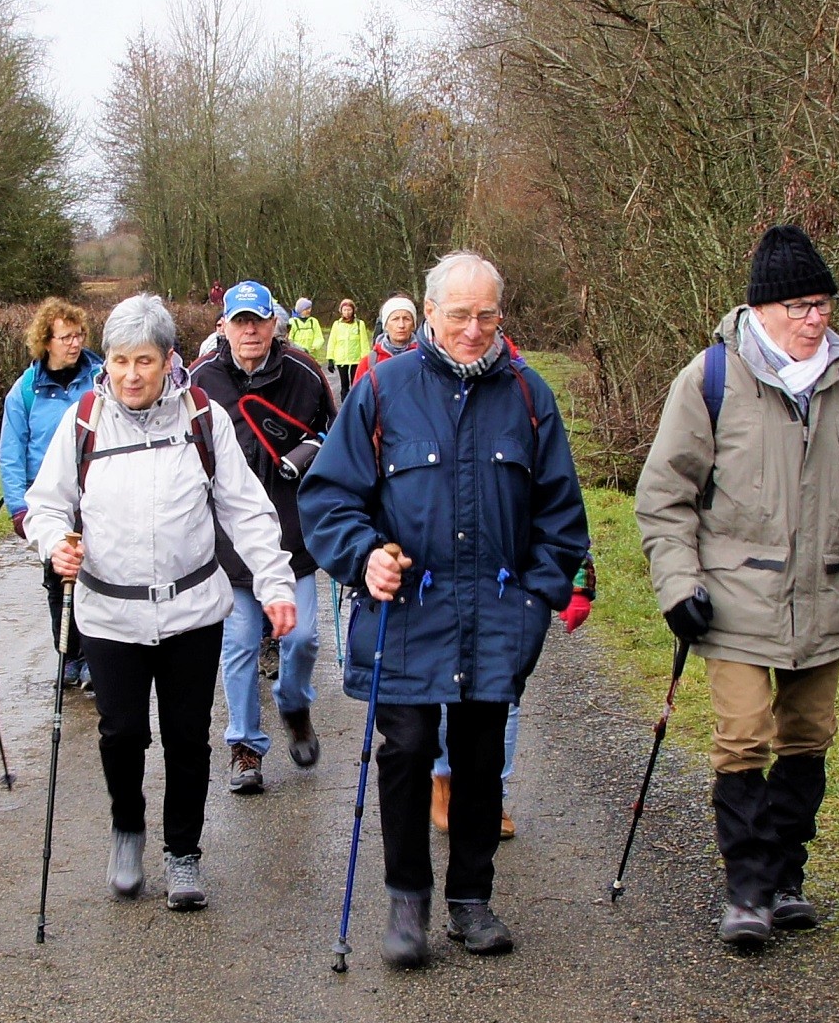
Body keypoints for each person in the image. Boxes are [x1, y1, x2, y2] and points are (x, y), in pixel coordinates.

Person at [300, 251, 589, 968]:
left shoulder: (529, 396)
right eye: (458, 314)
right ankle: (407, 900)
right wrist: (363, 555)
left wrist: (533, 599)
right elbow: (330, 498)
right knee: (402, 754)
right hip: (405, 612)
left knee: (482, 758)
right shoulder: (383, 389)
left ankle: (471, 898)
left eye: (487, 315)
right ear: (428, 314)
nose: (473, 329)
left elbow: (562, 516)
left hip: (496, 614)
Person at [634, 224, 839, 948]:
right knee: (744, 738)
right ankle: (747, 889)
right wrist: (677, 586)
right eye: (802, 306)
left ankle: (788, 878)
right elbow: (665, 495)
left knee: (809, 738)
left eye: (824, 304)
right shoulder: (712, 378)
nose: (817, 319)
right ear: (764, 310)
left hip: (824, 593)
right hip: (734, 599)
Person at [24, 294, 297, 913]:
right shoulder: (85, 420)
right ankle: (127, 830)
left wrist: (276, 583)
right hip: (109, 613)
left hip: (192, 612)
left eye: (143, 361)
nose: (130, 375)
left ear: (169, 360)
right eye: (119, 361)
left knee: (185, 736)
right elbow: (46, 505)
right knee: (121, 734)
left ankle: (183, 852)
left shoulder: (202, 417)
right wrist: (52, 543)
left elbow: (246, 508)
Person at [189, 279, 339, 793]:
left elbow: (337, 440)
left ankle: (294, 705)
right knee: (239, 643)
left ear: (275, 324)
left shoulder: (304, 375)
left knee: (301, 638)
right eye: (239, 321)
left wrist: (313, 452)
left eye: (258, 320)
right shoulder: (200, 382)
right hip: (229, 545)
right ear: (224, 327)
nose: (249, 330)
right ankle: (245, 746)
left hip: (291, 537)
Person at [431, 552, 595, 839]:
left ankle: (490, 795)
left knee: (502, 689)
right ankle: (443, 778)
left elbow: (561, 514)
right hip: (440, 578)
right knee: (447, 681)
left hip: (507, 580)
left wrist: (577, 583)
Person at [0, 299, 105, 688]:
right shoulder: (25, 391)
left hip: (94, 491)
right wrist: (19, 508)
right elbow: (11, 452)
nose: (74, 343)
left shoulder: (99, 377)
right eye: (65, 337)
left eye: (78, 335)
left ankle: (95, 656)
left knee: (95, 574)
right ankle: (68, 655)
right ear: (46, 341)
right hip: (48, 498)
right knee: (56, 576)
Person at [355, 294, 418, 378]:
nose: (401, 325)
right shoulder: (368, 362)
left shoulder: (427, 359)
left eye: (407, 319)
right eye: (395, 319)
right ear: (385, 325)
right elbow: (360, 391)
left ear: (413, 325)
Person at [324, 298, 369, 397]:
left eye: (349, 310)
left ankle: (354, 403)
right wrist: (330, 359)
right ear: (341, 311)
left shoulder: (359, 324)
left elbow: (364, 343)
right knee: (344, 385)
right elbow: (332, 341)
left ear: (353, 310)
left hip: (356, 359)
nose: (347, 312)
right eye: (345, 310)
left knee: (356, 383)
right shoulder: (337, 324)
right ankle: (345, 405)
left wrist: (365, 359)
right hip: (341, 359)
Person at [287, 297, 325, 362]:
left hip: (312, 356)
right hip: (297, 356)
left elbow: (319, 337)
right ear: (300, 309)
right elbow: (289, 339)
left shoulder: (313, 321)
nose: (309, 310)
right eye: (306, 309)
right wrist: (300, 349)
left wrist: (315, 346)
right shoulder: (292, 322)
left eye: (309, 308)